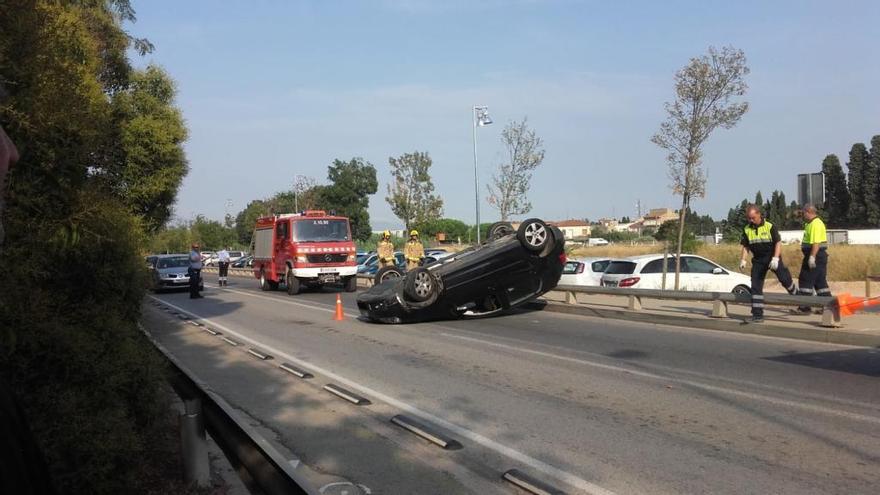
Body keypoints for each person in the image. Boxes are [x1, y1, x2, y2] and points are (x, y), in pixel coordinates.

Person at [739, 204, 797, 323]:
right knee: (755, 286)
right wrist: (743, 259)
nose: (751, 220)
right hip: (758, 260)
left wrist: (775, 258)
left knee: (784, 279)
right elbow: (746, 246)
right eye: (749, 218)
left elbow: (777, 243)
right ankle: (757, 314)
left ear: (759, 214)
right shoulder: (746, 229)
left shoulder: (769, 226)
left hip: (772, 257)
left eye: (753, 218)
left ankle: (796, 294)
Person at [795, 204, 830, 313]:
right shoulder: (810, 223)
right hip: (818, 256)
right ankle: (828, 307)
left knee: (805, 280)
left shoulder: (815, 224)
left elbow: (816, 243)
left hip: (815, 255)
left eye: (804, 213)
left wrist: (812, 257)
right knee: (820, 283)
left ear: (808, 212)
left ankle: (804, 307)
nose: (803, 215)